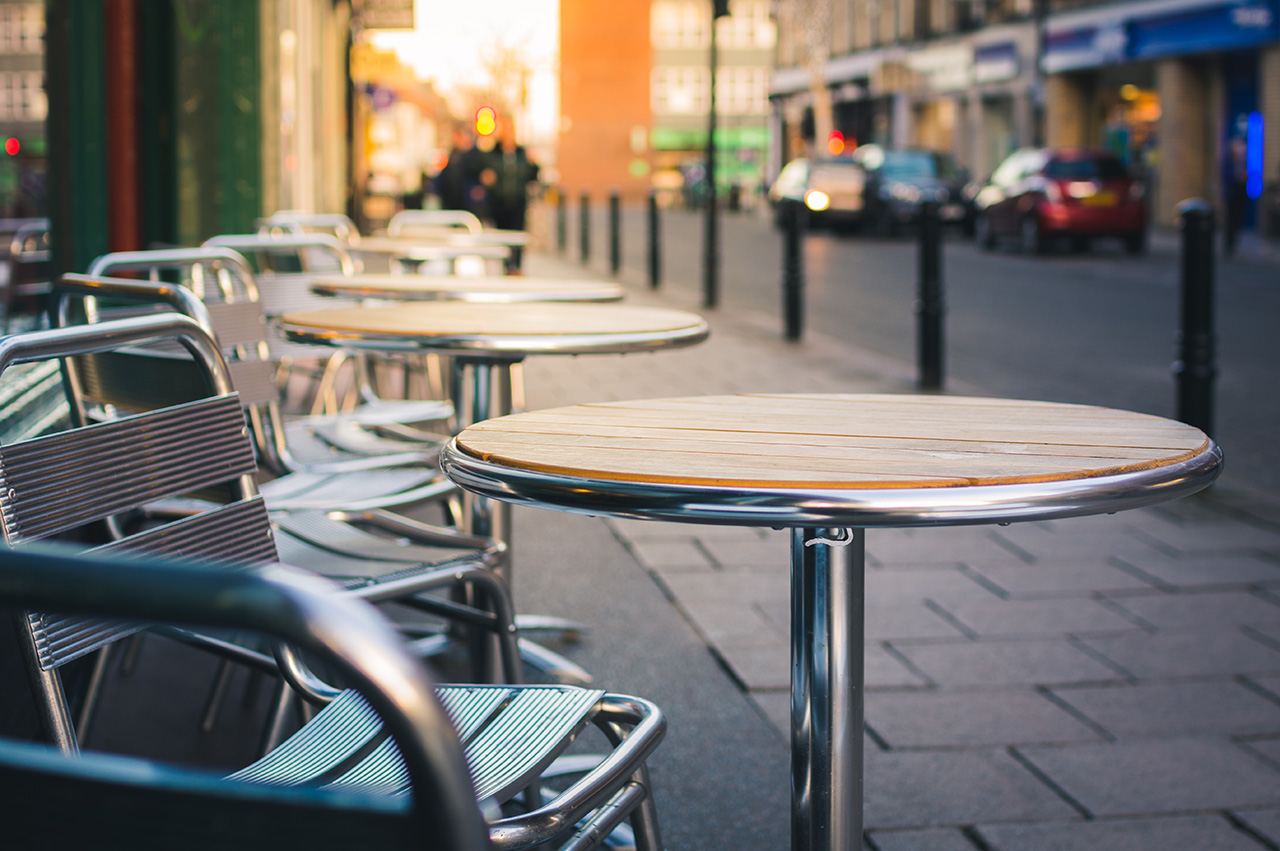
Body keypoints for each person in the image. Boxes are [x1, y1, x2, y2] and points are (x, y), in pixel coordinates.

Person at [481, 118, 540, 270]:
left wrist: (534, 164)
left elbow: (532, 177)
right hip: (499, 203)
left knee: (518, 236)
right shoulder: (493, 154)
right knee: (503, 238)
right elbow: (482, 172)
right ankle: (507, 266)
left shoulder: (522, 154)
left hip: (518, 202)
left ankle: (517, 267)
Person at [1222, 135, 1248, 257]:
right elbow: (1227, 177)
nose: (1240, 149)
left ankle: (1234, 243)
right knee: (1230, 219)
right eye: (1238, 146)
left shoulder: (1242, 161)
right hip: (1231, 194)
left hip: (1240, 193)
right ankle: (1228, 245)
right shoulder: (1229, 161)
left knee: (1237, 219)